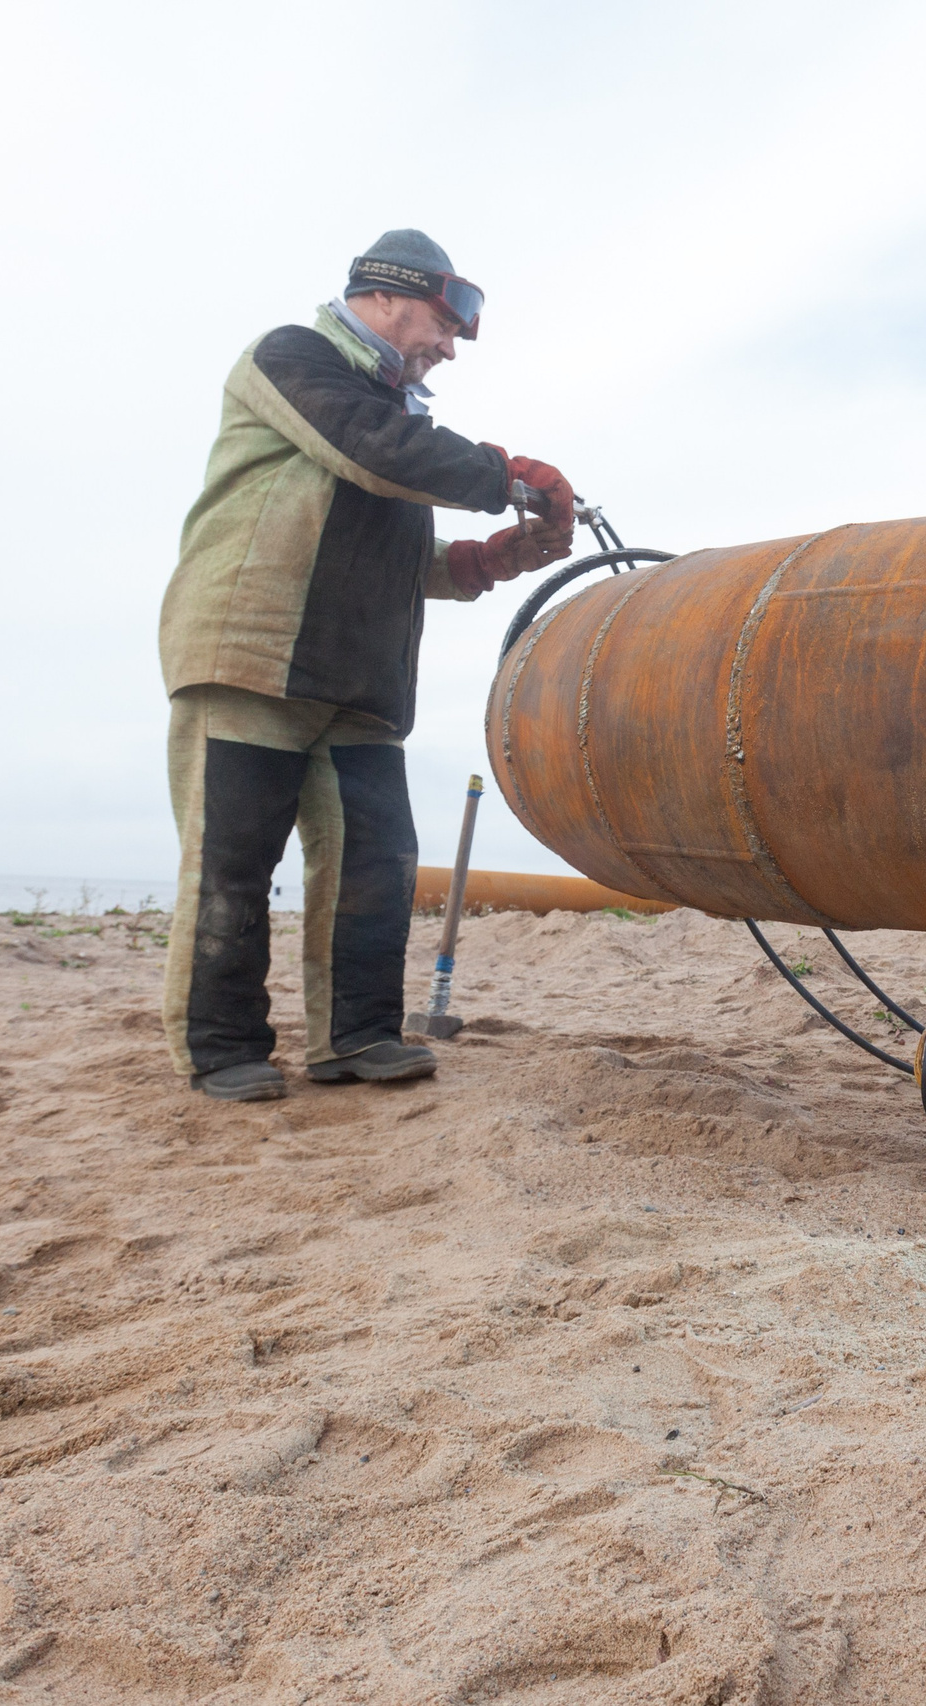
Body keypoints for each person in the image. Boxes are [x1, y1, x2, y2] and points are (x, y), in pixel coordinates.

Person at [157, 230, 578, 1101]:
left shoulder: (399, 421)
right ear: (387, 297)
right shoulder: (294, 359)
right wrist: (509, 473)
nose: (449, 348)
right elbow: (370, 450)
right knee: (234, 860)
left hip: (357, 681)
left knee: (377, 861)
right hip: (254, 655)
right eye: (443, 324)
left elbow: (390, 547)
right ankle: (221, 1048)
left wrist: (492, 559)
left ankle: (357, 1038)